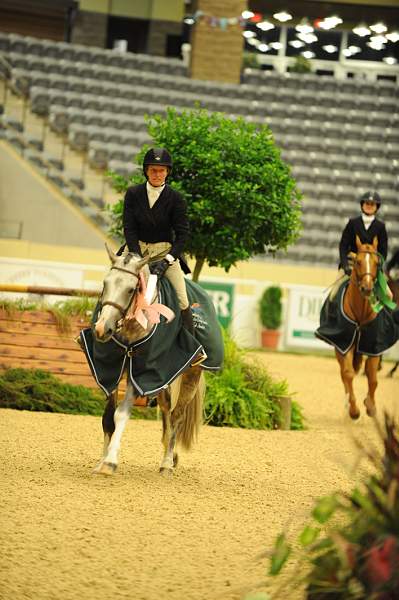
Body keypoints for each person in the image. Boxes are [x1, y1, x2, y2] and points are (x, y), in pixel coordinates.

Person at [122, 147, 197, 341]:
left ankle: (191, 347)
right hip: (136, 250)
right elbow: (129, 229)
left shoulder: (176, 199)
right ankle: (95, 330)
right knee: (114, 283)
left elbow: (182, 234)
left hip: (165, 253)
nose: (157, 174)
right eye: (153, 170)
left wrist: (167, 261)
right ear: (146, 171)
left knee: (182, 298)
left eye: (161, 170)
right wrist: (138, 258)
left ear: (167, 172)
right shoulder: (133, 194)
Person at [339, 190, 388, 275]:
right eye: (367, 204)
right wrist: (345, 265)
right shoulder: (352, 223)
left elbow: (383, 251)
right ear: (362, 205)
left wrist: (378, 263)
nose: (369, 206)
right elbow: (343, 246)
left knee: (386, 288)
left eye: (372, 204)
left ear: (377, 207)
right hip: (352, 263)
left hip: (372, 266)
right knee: (337, 286)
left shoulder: (381, 226)